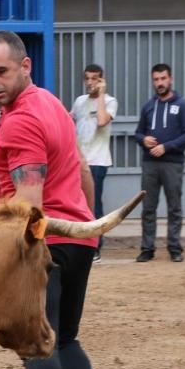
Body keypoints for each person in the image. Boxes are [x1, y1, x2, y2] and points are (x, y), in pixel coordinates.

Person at [0, 30, 116, 369]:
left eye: (1, 71)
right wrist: (88, 228)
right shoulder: (52, 104)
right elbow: (81, 169)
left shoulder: (19, 120)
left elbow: (28, 204)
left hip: (45, 244)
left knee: (37, 342)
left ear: (24, 66)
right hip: (76, 236)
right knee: (65, 337)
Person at [133, 63, 185, 263]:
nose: (160, 83)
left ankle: (174, 248)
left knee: (174, 207)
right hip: (150, 164)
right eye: (156, 79)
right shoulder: (148, 106)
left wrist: (166, 147)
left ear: (170, 79)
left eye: (163, 78)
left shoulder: (182, 105)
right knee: (148, 207)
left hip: (172, 163)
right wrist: (143, 140)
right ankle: (147, 249)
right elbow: (137, 133)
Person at [71, 65, 118, 261]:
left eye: (95, 79)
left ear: (101, 80)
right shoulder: (80, 101)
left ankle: (95, 247)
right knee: (77, 203)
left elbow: (101, 121)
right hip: (79, 161)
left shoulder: (109, 101)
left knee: (94, 204)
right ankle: (80, 243)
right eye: (87, 78)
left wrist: (101, 94)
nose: (90, 82)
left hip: (98, 162)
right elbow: (68, 119)